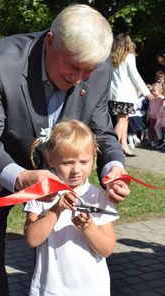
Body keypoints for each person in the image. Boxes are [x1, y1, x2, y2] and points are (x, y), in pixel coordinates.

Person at [0, 4, 130, 296]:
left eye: (87, 71)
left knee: (55, 255)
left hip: (62, 176)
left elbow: (102, 129)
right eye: (73, 67)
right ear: (50, 42)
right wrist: (20, 177)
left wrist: (114, 167)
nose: (79, 79)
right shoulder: (1, 61)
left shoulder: (99, 69)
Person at [24, 120, 118, 295]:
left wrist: (88, 227)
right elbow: (32, 239)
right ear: (51, 159)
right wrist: (55, 210)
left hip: (92, 289)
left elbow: (107, 249)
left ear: (93, 159)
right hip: (49, 289)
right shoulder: (42, 194)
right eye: (67, 163)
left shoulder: (98, 197)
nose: (76, 170)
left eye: (83, 162)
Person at [108, 33, 151, 157]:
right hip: (125, 95)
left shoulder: (111, 58)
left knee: (124, 119)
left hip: (114, 95)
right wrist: (146, 92)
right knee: (122, 120)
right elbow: (135, 75)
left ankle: (124, 146)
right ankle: (113, 147)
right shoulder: (129, 57)